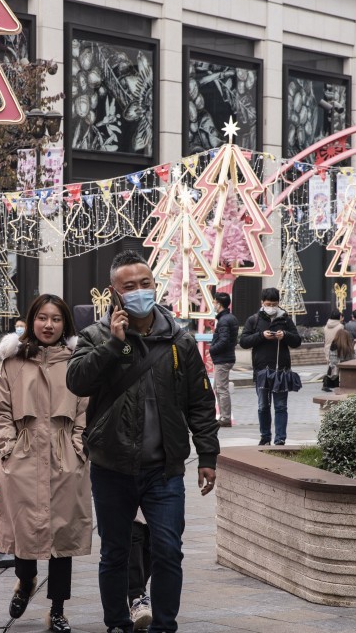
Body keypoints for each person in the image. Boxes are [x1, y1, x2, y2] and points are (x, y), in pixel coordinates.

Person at [66, 250, 220, 633]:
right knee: (115, 552)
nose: (139, 291)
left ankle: (164, 626)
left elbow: (200, 401)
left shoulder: (178, 340)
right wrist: (114, 345)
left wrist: (207, 455)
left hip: (163, 469)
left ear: (155, 285)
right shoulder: (96, 336)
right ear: (115, 293)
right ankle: (117, 623)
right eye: (129, 286)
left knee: (169, 550)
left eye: (145, 283)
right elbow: (77, 381)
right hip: (112, 466)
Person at [0, 294, 92, 633]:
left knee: (63, 537)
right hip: (24, 455)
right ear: (32, 321)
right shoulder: (13, 363)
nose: (49, 325)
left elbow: (88, 409)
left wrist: (78, 446)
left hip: (65, 457)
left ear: (65, 324)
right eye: (42, 318)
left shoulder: (78, 362)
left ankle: (58, 609)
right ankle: (25, 579)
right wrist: (10, 448)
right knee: (24, 528)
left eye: (56, 319)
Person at [239, 288, 302, 446]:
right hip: (261, 370)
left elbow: (297, 341)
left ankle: (280, 439)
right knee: (263, 406)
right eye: (268, 304)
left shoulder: (286, 320)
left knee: (281, 406)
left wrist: (285, 336)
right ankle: (265, 437)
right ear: (262, 303)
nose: (271, 306)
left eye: (274, 304)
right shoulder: (254, 320)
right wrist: (261, 336)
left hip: (281, 370)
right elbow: (244, 342)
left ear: (278, 303)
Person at [209, 291, 239, 427]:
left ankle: (225, 418)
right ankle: (223, 416)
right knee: (218, 388)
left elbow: (224, 340)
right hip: (226, 357)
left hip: (223, 358)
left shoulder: (224, 320)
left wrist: (212, 349)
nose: (213, 304)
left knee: (221, 389)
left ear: (219, 304)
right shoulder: (229, 318)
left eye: (215, 302)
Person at [127, 512, 153, 631]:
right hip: (128, 502)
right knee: (134, 538)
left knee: (150, 547)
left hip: (155, 504)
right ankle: (136, 598)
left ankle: (138, 595)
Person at [326, 327, 356, 391]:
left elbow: (333, 362)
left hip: (336, 377)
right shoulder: (349, 348)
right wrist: (355, 348)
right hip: (349, 375)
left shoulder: (333, 346)